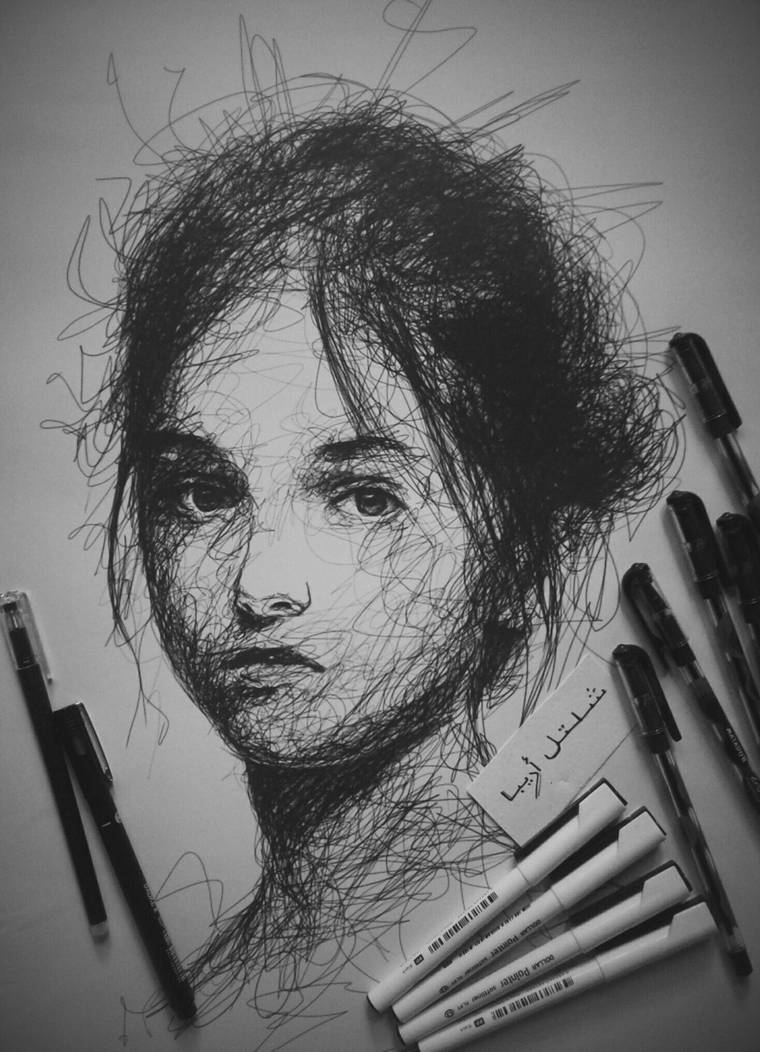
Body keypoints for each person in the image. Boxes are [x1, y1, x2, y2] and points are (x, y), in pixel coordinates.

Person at [72, 85, 673, 1028]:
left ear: (519, 556)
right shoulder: (212, 990)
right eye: (201, 493)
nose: (258, 586)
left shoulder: (539, 911)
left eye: (363, 498)